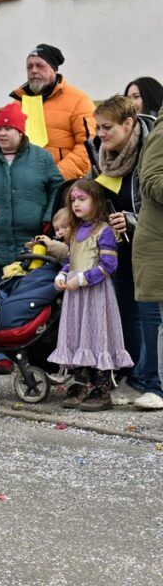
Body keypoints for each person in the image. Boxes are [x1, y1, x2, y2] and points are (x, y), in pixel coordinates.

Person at [87, 95, 162, 411]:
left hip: (146, 239)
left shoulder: (149, 145)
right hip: (117, 244)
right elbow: (95, 193)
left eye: (107, 127)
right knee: (125, 309)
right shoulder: (99, 151)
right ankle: (135, 373)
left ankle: (152, 379)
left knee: (150, 313)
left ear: (129, 124)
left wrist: (131, 220)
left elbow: (151, 199)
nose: (101, 134)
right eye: (98, 127)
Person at [0, 102, 64, 372]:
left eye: (8, 129)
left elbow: (58, 187)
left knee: (29, 299)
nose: (2, 133)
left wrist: (49, 218)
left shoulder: (41, 158)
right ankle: (1, 354)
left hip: (32, 244)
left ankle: (31, 349)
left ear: (21, 131)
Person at [50, 180, 133, 410]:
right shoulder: (76, 230)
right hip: (76, 296)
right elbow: (72, 260)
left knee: (98, 336)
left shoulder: (104, 231)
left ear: (96, 201)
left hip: (95, 294)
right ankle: (82, 383)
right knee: (79, 334)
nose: (76, 204)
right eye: (73, 200)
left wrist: (82, 279)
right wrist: (62, 274)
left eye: (82, 199)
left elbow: (109, 265)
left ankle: (102, 388)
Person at [8, 44, 95, 180]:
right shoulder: (16, 105)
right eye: (29, 67)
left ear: (53, 69)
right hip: (25, 185)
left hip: (65, 185)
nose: (34, 71)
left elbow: (88, 149)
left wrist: (53, 176)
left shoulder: (79, 100)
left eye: (40, 66)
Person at [134, 116, 163, 411]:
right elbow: (152, 181)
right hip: (158, 245)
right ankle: (156, 386)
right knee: (158, 321)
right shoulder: (161, 134)